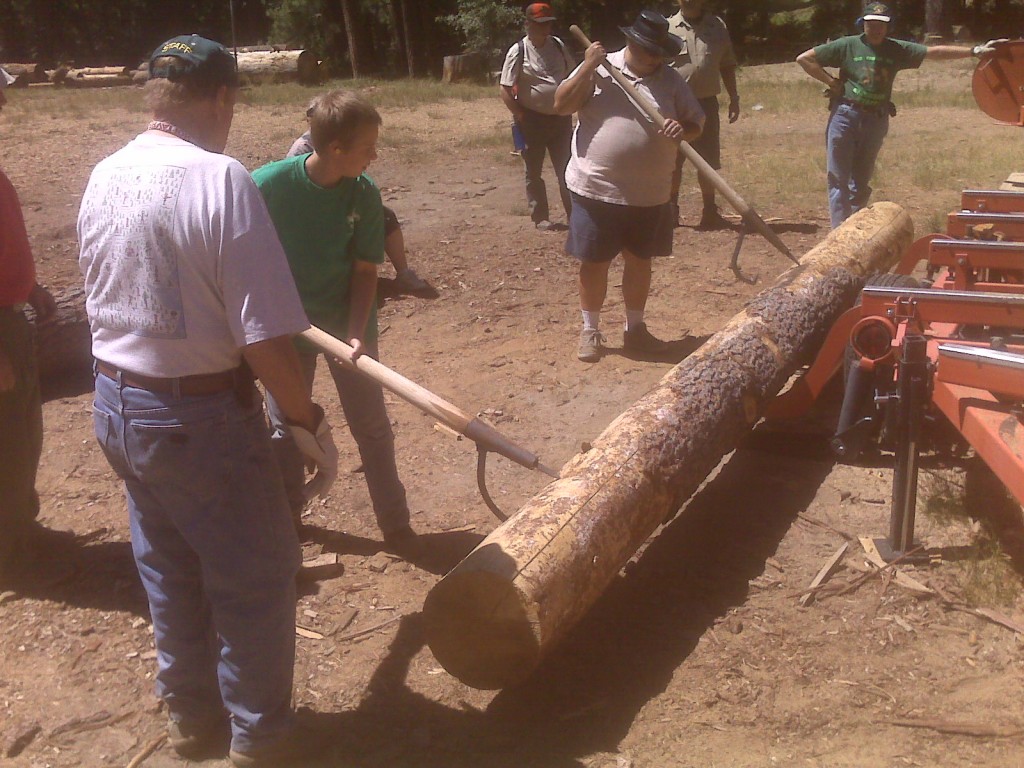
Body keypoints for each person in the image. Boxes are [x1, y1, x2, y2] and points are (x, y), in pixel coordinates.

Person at [77, 35, 338, 768]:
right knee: (256, 575)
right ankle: (260, 741)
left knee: (169, 567)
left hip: (117, 405)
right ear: (221, 99)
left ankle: (193, 718)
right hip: (198, 417)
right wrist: (304, 419)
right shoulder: (220, 179)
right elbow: (263, 337)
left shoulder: (106, 172)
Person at [254, 90, 419, 556]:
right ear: (334, 149)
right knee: (286, 428)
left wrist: (354, 334)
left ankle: (396, 525)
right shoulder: (266, 187)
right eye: (368, 147)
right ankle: (287, 519)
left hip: (350, 325)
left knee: (372, 426)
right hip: (287, 329)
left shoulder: (363, 192)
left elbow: (367, 269)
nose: (375, 155)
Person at [554, 10, 704, 363]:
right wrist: (589, 66)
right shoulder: (602, 67)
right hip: (597, 188)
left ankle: (635, 329)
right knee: (594, 262)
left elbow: (697, 123)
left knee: (640, 261)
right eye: (648, 49)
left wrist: (683, 129)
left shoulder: (671, 81)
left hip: (650, 194)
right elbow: (561, 105)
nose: (654, 57)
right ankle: (590, 329)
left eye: (659, 51)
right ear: (632, 42)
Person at [797, 2, 1007, 228]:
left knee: (861, 181)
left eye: (881, 25)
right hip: (845, 115)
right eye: (871, 24)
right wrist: (831, 82)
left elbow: (934, 52)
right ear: (863, 24)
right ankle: (839, 234)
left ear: (888, 27)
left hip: (876, 119)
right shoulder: (847, 45)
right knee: (838, 179)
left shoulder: (896, 49)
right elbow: (805, 59)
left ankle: (853, 231)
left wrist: (974, 51)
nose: (876, 29)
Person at [0, 65, 58, 577]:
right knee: (7, 436)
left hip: (10, 318)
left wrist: (29, 287)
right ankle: (8, 551)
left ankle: (20, 526)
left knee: (22, 432)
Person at [288, 124, 430, 296]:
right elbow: (300, 188)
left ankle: (403, 273)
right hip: (314, 209)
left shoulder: (345, 140)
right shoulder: (302, 147)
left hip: (341, 199)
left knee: (385, 216)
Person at [500, 2, 576, 232]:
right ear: (528, 24)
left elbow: (572, 74)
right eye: (540, 24)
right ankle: (540, 216)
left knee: (568, 169)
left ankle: (576, 216)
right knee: (533, 171)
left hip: (561, 117)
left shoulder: (559, 45)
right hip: (531, 120)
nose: (546, 28)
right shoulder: (518, 51)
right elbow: (504, 88)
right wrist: (521, 114)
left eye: (548, 23)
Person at [668, 0, 740, 230]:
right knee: (672, 161)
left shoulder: (717, 26)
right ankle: (670, 211)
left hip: (706, 104)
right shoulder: (667, 27)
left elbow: (727, 64)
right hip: (674, 105)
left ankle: (710, 212)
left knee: (708, 162)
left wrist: (734, 97)